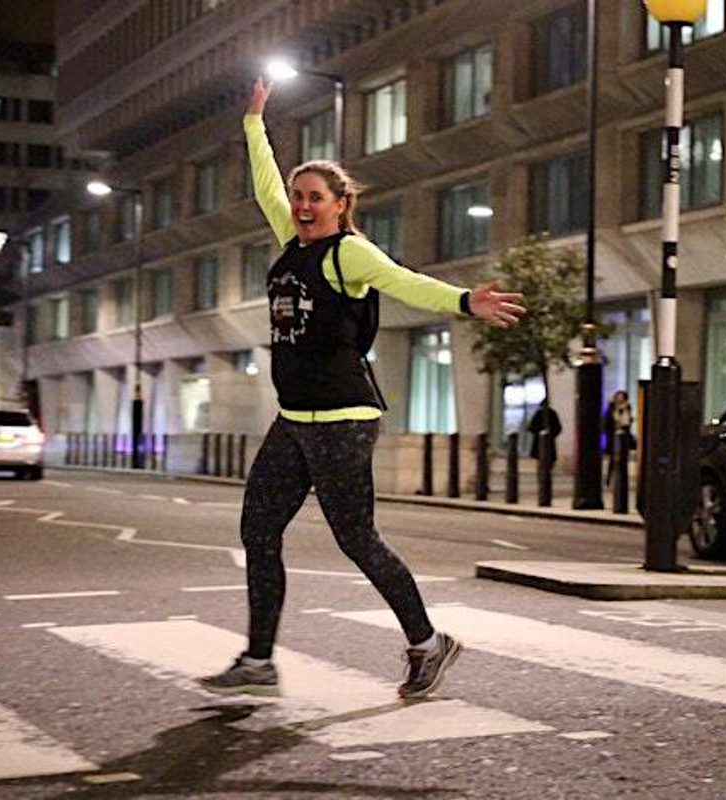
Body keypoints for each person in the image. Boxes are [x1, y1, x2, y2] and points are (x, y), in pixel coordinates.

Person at [199, 79, 525, 700]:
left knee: (355, 537)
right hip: (295, 417)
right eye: (298, 196)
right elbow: (265, 182)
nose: (301, 204)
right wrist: (252, 122)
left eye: (315, 197)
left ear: (341, 203)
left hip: (343, 415)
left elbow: (407, 282)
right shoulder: (291, 245)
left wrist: (464, 300)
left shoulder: (350, 255)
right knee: (258, 531)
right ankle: (260, 662)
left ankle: (429, 643)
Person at [603, 390, 633, 486]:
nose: (620, 399)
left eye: (622, 397)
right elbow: (606, 422)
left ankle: (621, 480)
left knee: (623, 459)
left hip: (624, 437)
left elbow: (628, 421)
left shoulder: (627, 408)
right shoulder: (611, 408)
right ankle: (609, 479)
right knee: (612, 459)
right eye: (618, 397)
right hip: (613, 436)